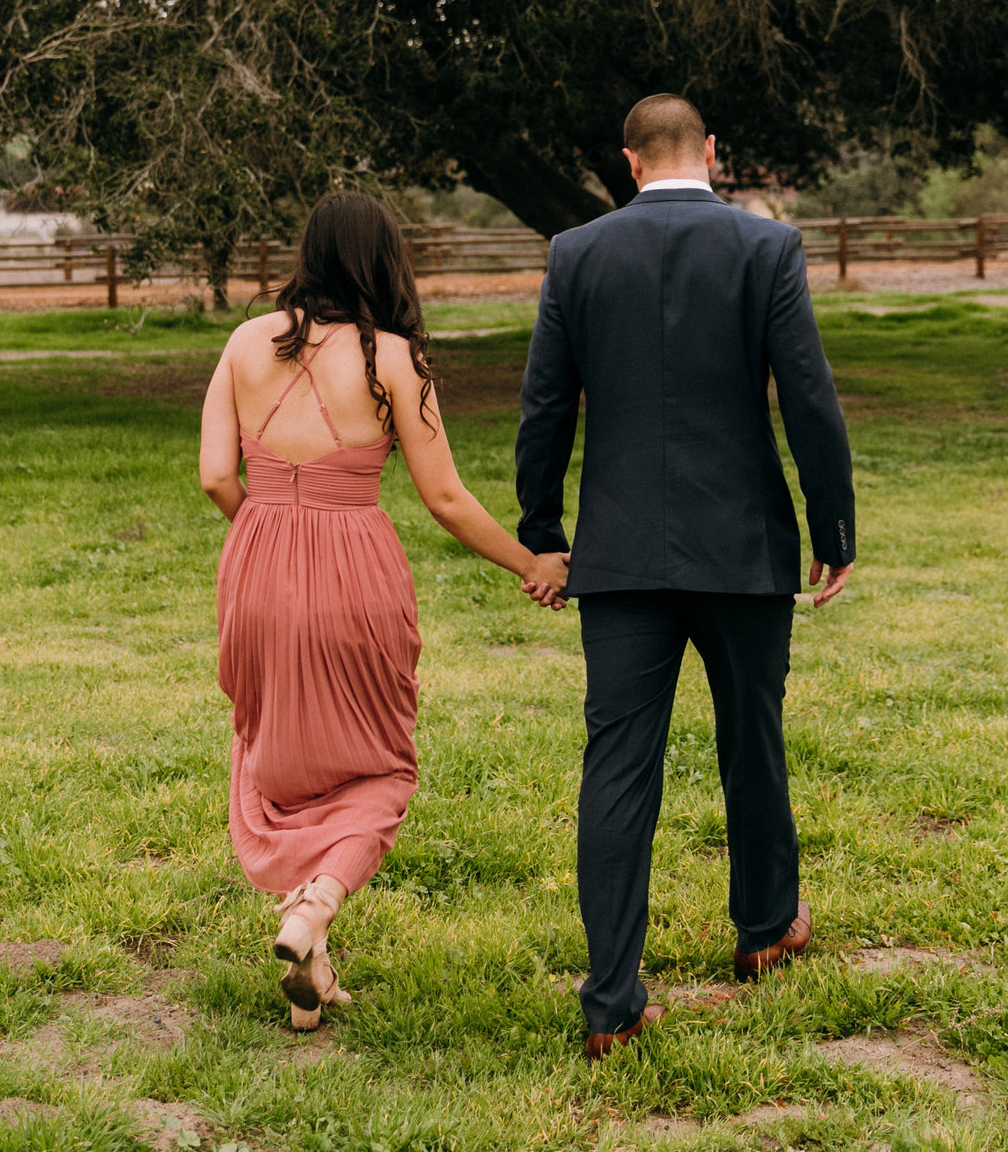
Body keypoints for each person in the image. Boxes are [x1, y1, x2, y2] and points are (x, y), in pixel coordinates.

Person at [515, 93, 855, 1060]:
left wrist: (544, 529)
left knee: (616, 768)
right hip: (743, 548)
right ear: (712, 150)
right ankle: (764, 928)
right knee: (754, 737)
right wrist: (833, 527)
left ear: (629, 162)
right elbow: (810, 397)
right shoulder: (766, 249)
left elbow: (545, 406)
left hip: (619, 554)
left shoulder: (576, 254)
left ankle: (612, 1002)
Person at [200, 192, 570, 1031]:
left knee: (279, 754)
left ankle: (312, 967)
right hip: (356, 575)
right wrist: (531, 562)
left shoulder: (243, 342)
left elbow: (218, 478)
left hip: (255, 567)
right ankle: (316, 905)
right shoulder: (394, 357)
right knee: (381, 767)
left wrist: (269, 537)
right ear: (383, 260)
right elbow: (443, 494)